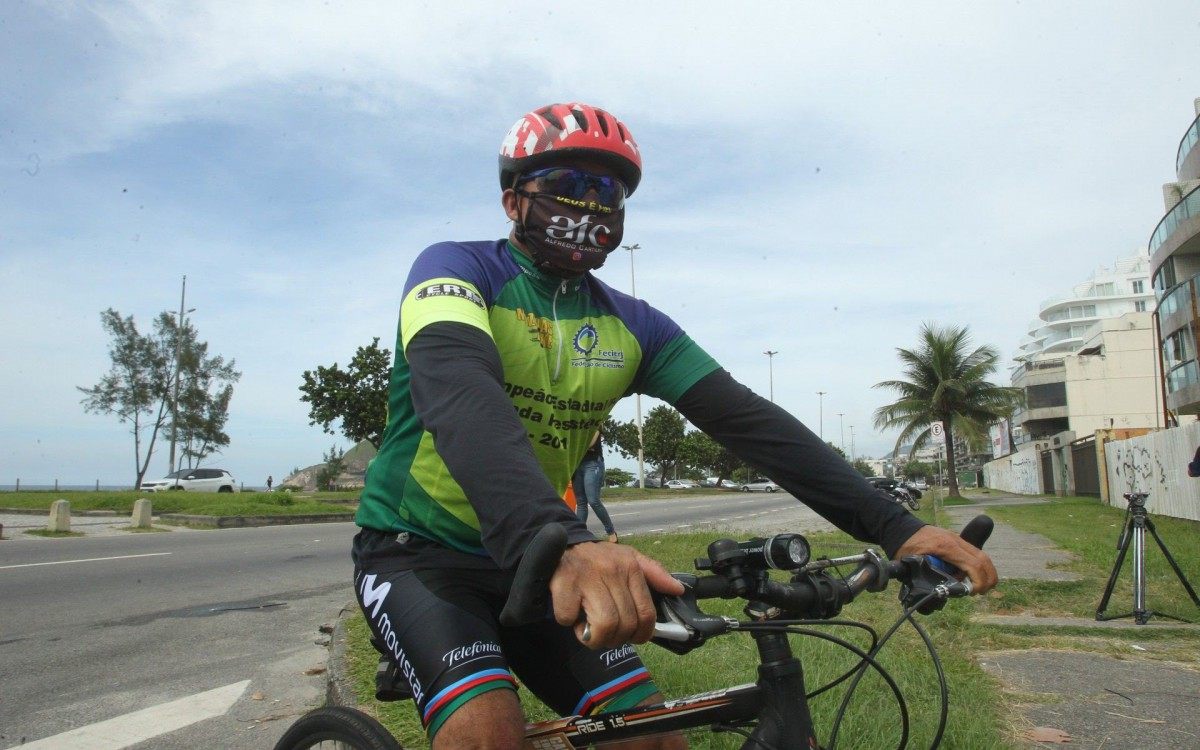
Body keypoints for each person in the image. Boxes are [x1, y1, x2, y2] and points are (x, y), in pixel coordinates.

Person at [351, 101, 998, 750]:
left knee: (655, 739)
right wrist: (562, 541)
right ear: (512, 201)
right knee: (487, 733)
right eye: (567, 185)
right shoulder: (453, 271)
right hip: (422, 553)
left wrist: (897, 527)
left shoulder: (636, 326)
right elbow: (460, 395)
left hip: (540, 558)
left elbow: (752, 424)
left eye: (607, 191)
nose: (589, 205)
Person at [573, 430, 617, 543]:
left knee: (593, 500)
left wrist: (576, 446)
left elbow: (591, 443)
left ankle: (611, 532)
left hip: (592, 463)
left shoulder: (595, 421)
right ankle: (579, 536)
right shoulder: (573, 422)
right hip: (576, 465)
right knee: (581, 503)